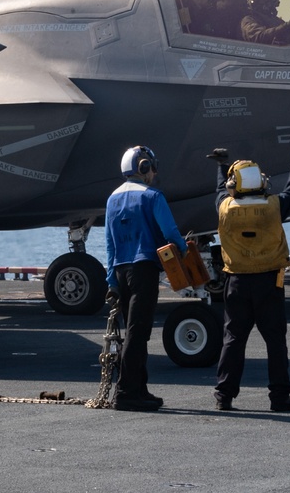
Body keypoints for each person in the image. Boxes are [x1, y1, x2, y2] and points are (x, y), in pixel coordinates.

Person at [209, 148, 290, 412]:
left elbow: (220, 188)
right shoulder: (274, 206)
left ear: (235, 184)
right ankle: (279, 397)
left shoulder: (225, 207)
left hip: (237, 282)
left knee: (233, 339)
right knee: (275, 341)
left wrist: (222, 165)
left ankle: (224, 395)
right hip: (269, 282)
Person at [104, 145, 189, 412]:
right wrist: (184, 250)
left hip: (121, 269)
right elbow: (171, 232)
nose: (153, 171)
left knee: (133, 331)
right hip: (144, 268)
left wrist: (111, 281)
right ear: (143, 167)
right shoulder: (153, 196)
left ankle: (140, 389)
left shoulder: (112, 199)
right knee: (138, 333)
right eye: (151, 166)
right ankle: (126, 393)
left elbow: (109, 244)